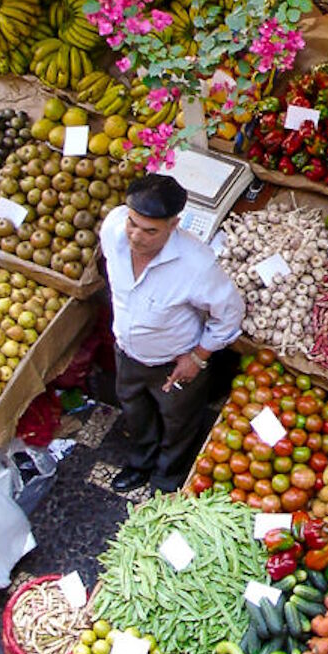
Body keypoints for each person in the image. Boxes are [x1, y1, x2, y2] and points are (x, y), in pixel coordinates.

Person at [101, 173, 244, 493]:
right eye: (133, 224)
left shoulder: (196, 264)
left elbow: (230, 314)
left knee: (179, 422)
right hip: (127, 352)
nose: (137, 236)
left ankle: (168, 476)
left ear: (173, 224)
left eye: (150, 230)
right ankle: (140, 462)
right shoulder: (113, 228)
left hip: (173, 361)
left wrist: (198, 356)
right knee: (135, 411)